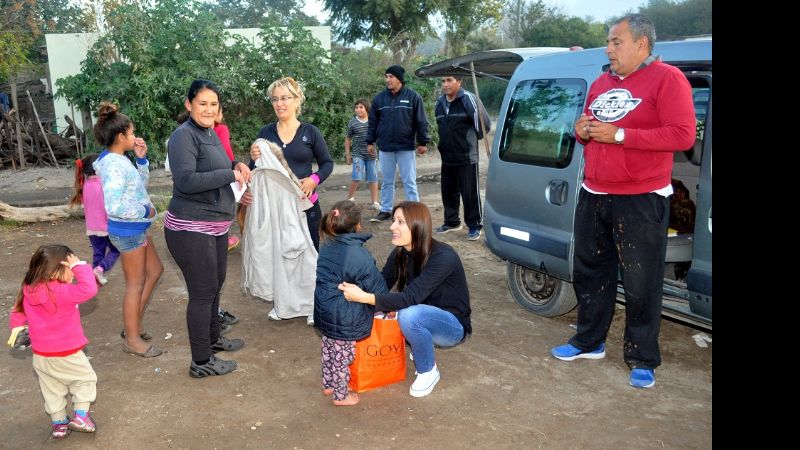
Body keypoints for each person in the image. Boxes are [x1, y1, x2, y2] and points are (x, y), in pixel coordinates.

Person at [550, 14, 696, 389]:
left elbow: (682, 136)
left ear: (641, 44)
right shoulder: (602, 81)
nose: (609, 48)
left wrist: (619, 136)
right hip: (594, 192)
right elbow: (589, 130)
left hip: (641, 198)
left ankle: (642, 357)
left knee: (641, 281)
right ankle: (589, 341)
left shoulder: (668, 79)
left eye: (616, 41)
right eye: (609, 42)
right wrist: (582, 131)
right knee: (590, 271)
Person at [338, 201, 471, 397]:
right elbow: (382, 283)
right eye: (393, 221)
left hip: (452, 327)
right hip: (421, 313)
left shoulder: (443, 256)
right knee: (385, 307)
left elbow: (411, 297)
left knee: (408, 315)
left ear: (417, 226)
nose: (392, 226)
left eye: (400, 222)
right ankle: (420, 344)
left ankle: (428, 370)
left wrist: (367, 298)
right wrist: (354, 294)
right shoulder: (401, 251)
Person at [165, 79, 251, 378]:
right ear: (189, 104)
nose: (208, 109)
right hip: (191, 228)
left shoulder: (209, 133)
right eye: (202, 103)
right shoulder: (183, 137)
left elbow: (222, 161)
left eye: (213, 104)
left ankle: (213, 340)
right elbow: (186, 179)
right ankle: (201, 361)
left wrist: (237, 164)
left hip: (214, 225)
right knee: (202, 294)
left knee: (215, 285)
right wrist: (229, 173)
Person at [92, 102, 164, 358]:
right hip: (128, 230)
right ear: (121, 136)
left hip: (136, 228)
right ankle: (132, 338)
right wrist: (146, 212)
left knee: (155, 271)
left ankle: (131, 326)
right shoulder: (113, 165)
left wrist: (142, 159)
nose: (135, 137)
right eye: (132, 133)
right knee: (135, 283)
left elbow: (138, 187)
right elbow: (114, 206)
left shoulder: (120, 160)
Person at [8, 244, 99, 439]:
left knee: (51, 389)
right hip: (68, 352)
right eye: (69, 267)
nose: (73, 274)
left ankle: (59, 424)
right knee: (85, 380)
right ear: (58, 269)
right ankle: (81, 416)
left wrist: (17, 331)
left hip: (41, 355)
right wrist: (80, 266)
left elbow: (17, 311)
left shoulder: (29, 289)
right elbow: (89, 289)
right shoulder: (63, 292)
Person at [314, 200, 388, 406]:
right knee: (342, 356)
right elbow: (376, 286)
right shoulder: (358, 255)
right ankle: (341, 395)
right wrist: (387, 305)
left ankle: (329, 384)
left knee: (329, 348)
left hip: (324, 308)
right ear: (358, 225)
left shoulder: (327, 246)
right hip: (344, 314)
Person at [249, 76, 334, 254]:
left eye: (285, 98)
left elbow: (327, 163)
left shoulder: (310, 132)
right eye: (275, 99)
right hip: (275, 210)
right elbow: (254, 170)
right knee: (278, 259)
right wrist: (254, 157)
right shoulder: (265, 132)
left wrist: (314, 179)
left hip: (306, 207)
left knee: (310, 257)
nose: (279, 103)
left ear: (297, 100)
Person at [366, 65, 430, 222]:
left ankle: (414, 212)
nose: (388, 80)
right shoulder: (379, 99)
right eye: (386, 76)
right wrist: (370, 141)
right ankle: (386, 210)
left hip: (405, 147)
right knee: (387, 181)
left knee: (409, 181)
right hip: (385, 147)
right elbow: (373, 122)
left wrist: (423, 141)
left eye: (391, 77)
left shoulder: (413, 97)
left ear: (399, 79)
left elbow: (421, 121)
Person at [433, 75, 491, 241]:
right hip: (447, 156)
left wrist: (470, 141)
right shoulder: (440, 102)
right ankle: (451, 222)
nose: (445, 84)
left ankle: (474, 225)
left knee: (469, 193)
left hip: (466, 156)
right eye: (443, 81)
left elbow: (484, 124)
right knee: (448, 192)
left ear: (459, 82)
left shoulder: (469, 99)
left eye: (449, 80)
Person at [69, 154, 120, 286]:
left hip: (92, 229)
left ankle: (95, 278)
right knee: (116, 249)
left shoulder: (84, 186)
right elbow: (109, 206)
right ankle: (100, 268)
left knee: (98, 254)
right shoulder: (103, 185)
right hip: (106, 227)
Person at [213, 107, 242, 253]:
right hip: (225, 173)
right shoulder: (222, 129)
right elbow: (227, 152)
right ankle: (224, 238)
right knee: (226, 205)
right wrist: (234, 166)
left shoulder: (190, 132)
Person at [344, 98, 380, 210]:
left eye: (361, 107)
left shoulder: (373, 121)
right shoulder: (353, 122)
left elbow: (379, 135)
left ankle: (374, 202)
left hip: (371, 155)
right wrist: (348, 155)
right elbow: (348, 139)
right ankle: (350, 199)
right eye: (356, 107)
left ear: (366, 108)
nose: (358, 110)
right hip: (357, 154)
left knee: (373, 178)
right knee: (357, 177)